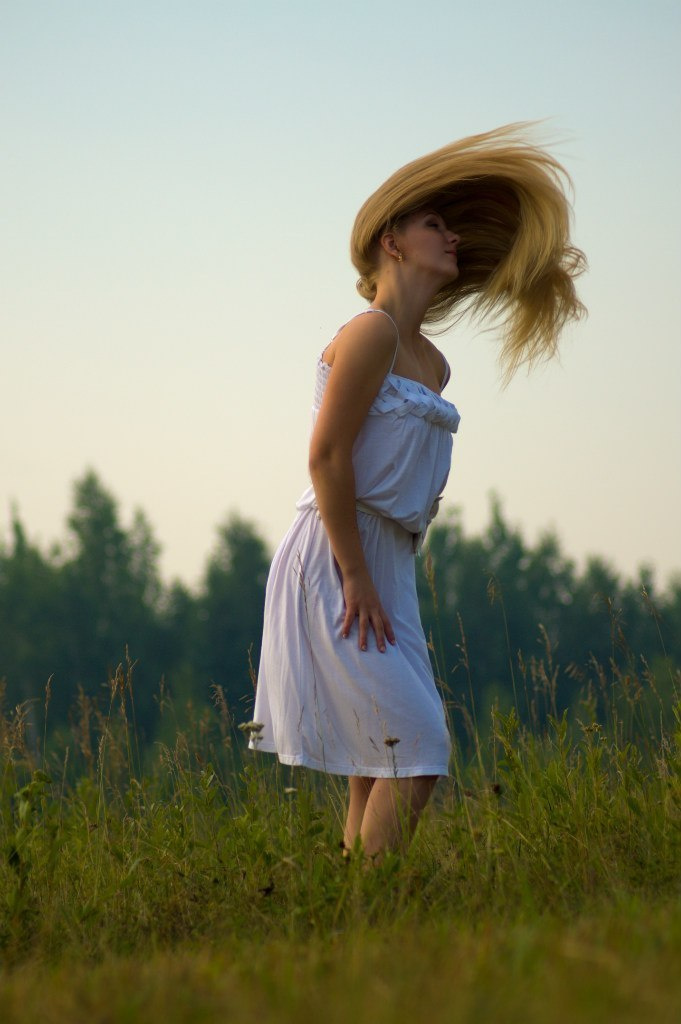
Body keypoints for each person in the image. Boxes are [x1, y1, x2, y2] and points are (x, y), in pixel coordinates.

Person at [250, 124, 586, 860]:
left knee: (383, 753)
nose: (452, 238)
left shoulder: (432, 362)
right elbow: (327, 455)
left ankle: (349, 921)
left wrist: (387, 570)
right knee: (421, 748)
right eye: (434, 224)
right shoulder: (367, 332)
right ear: (389, 242)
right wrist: (355, 575)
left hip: (388, 561)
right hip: (337, 554)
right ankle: (371, 910)